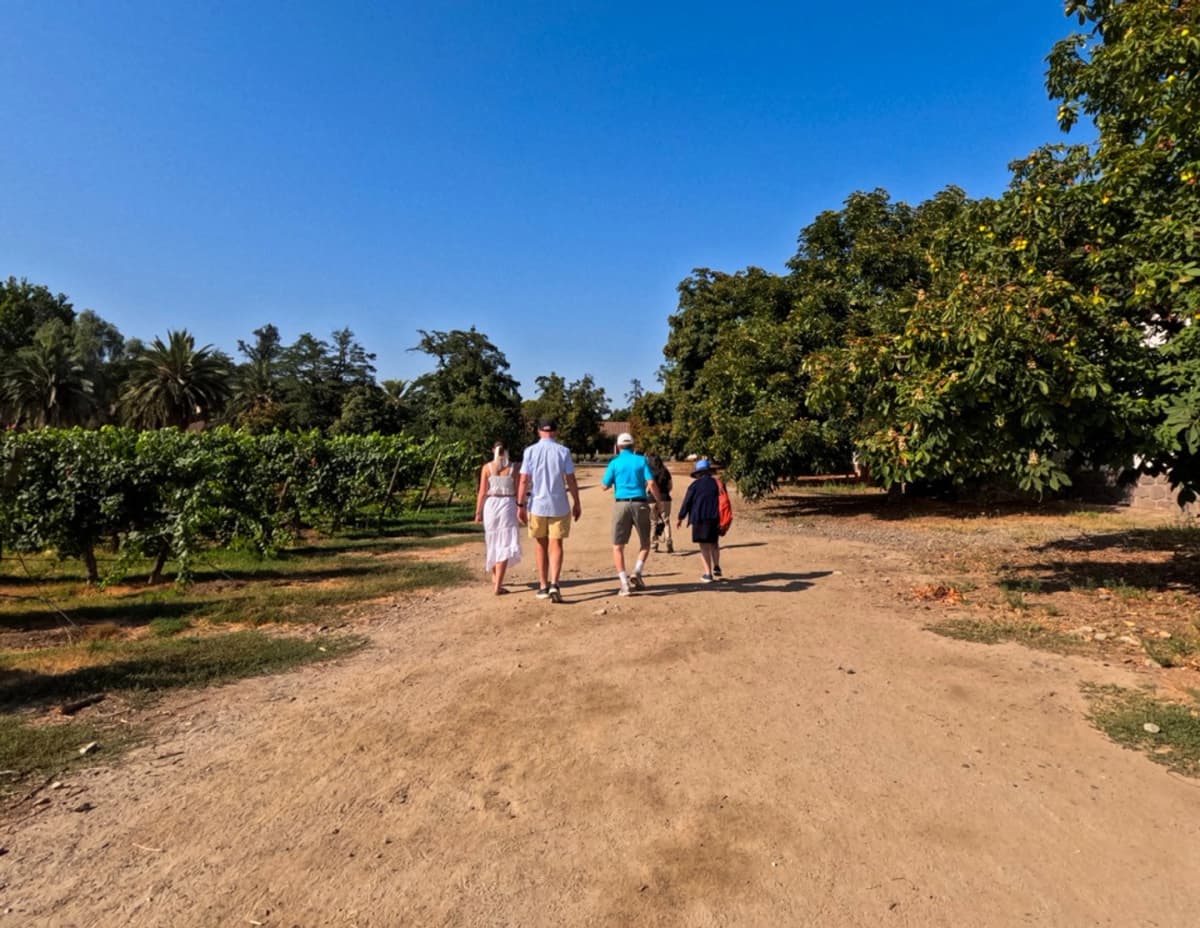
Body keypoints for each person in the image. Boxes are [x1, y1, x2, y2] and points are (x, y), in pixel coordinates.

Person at [516, 418, 582, 603]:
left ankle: (543, 585)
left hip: (537, 504)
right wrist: (577, 502)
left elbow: (523, 480)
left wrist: (520, 505)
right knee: (557, 544)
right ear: (556, 431)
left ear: (539, 431)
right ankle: (555, 583)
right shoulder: (563, 451)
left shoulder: (530, 451)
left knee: (540, 545)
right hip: (559, 504)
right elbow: (570, 479)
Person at [601, 432, 663, 596]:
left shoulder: (614, 463)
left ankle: (624, 583)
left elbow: (604, 486)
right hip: (640, 503)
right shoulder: (641, 460)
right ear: (633, 446)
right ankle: (637, 571)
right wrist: (659, 502)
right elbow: (651, 482)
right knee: (645, 543)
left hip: (621, 504)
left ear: (618, 447)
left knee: (618, 546)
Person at [474, 441, 522, 595]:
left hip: (491, 505)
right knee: (505, 543)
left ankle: (496, 580)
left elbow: (482, 491)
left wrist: (478, 512)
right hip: (507, 503)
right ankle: (497, 584)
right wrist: (521, 506)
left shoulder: (487, 468)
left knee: (493, 542)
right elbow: (517, 489)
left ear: (492, 450)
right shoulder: (513, 468)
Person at [676, 458, 723, 583]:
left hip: (699, 517)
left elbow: (687, 502)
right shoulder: (717, 483)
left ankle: (708, 574)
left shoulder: (694, 485)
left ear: (698, 473)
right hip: (715, 517)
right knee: (714, 542)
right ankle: (716, 565)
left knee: (703, 546)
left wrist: (681, 517)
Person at [646, 452, 674, 554]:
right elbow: (670, 486)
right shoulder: (665, 471)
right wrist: (665, 492)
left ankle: (654, 545)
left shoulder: (649, 472)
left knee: (653, 522)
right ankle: (668, 541)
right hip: (665, 498)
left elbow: (648, 486)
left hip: (652, 500)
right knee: (666, 521)